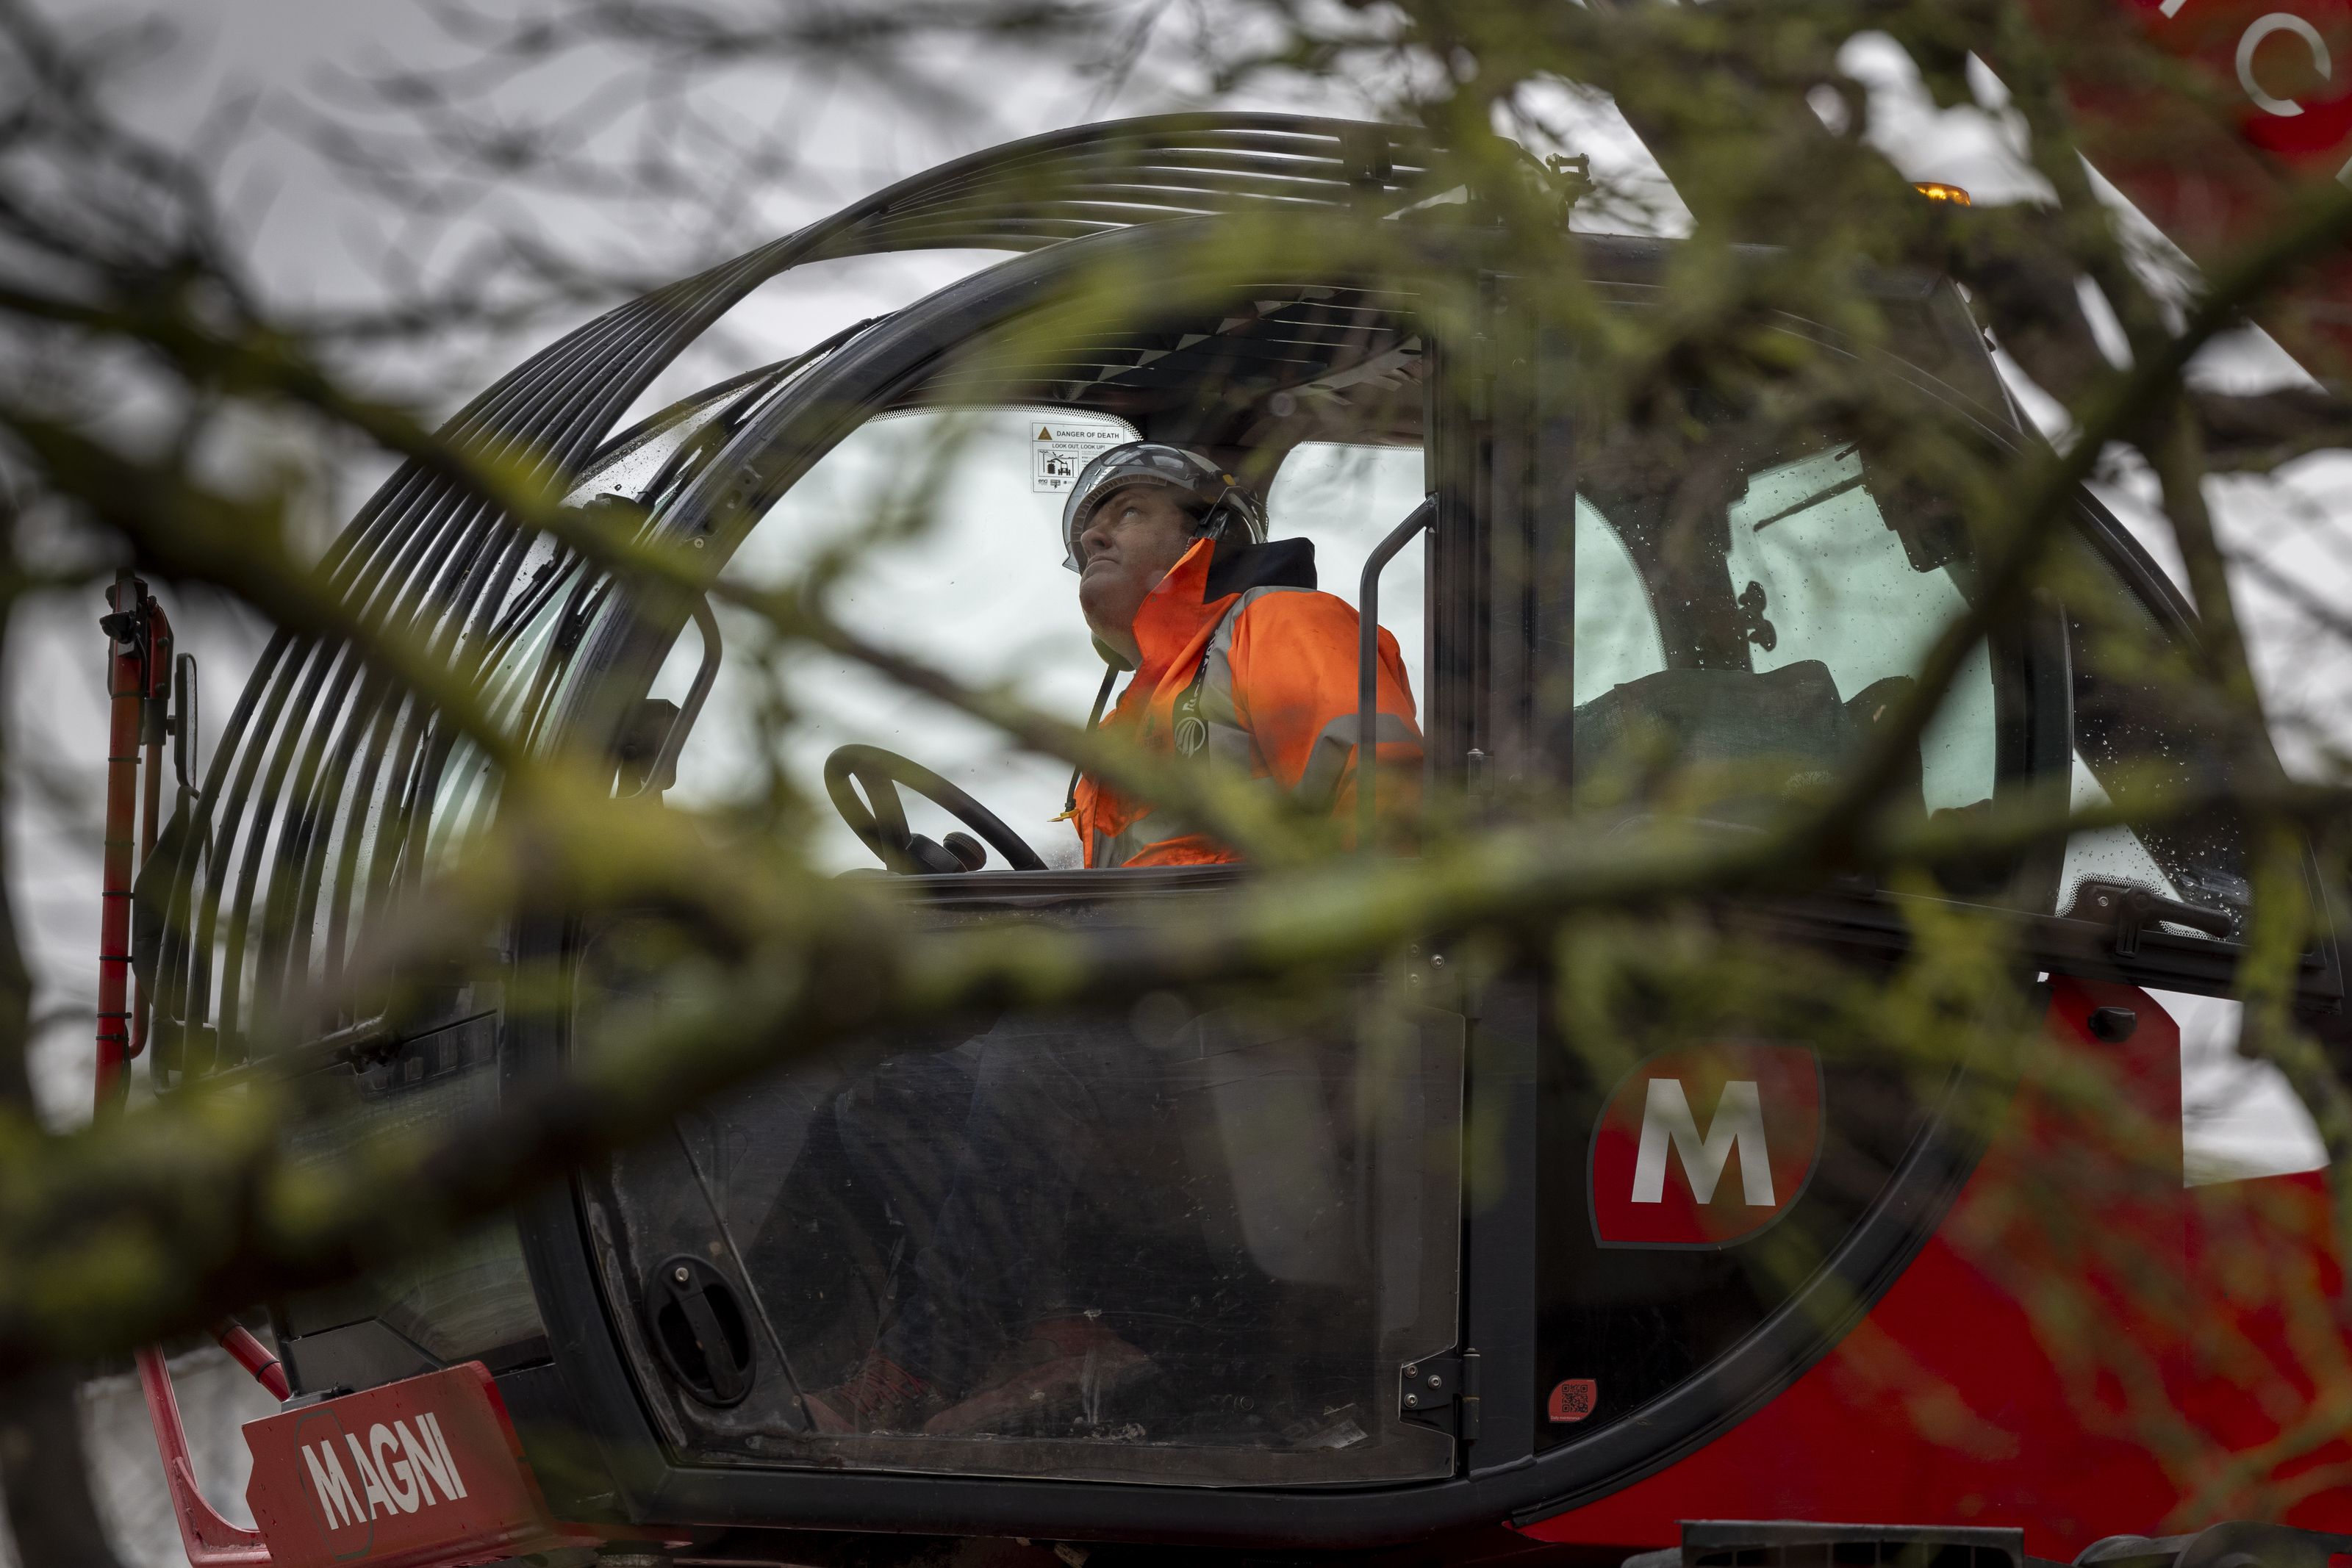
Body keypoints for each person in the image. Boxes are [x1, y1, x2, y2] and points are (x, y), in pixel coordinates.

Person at [801, 443, 1422, 1436]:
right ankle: (1063, 1325)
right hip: (1160, 1018)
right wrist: (985, 900)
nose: (1093, 530)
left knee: (1040, 1057)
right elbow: (1132, 886)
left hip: (1268, 1018)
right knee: (889, 1096)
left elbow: (1379, 811)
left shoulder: (1285, 625)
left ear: (1208, 530)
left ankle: (917, 1370)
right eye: (1085, 524)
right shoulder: (1139, 708)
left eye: (1127, 509)